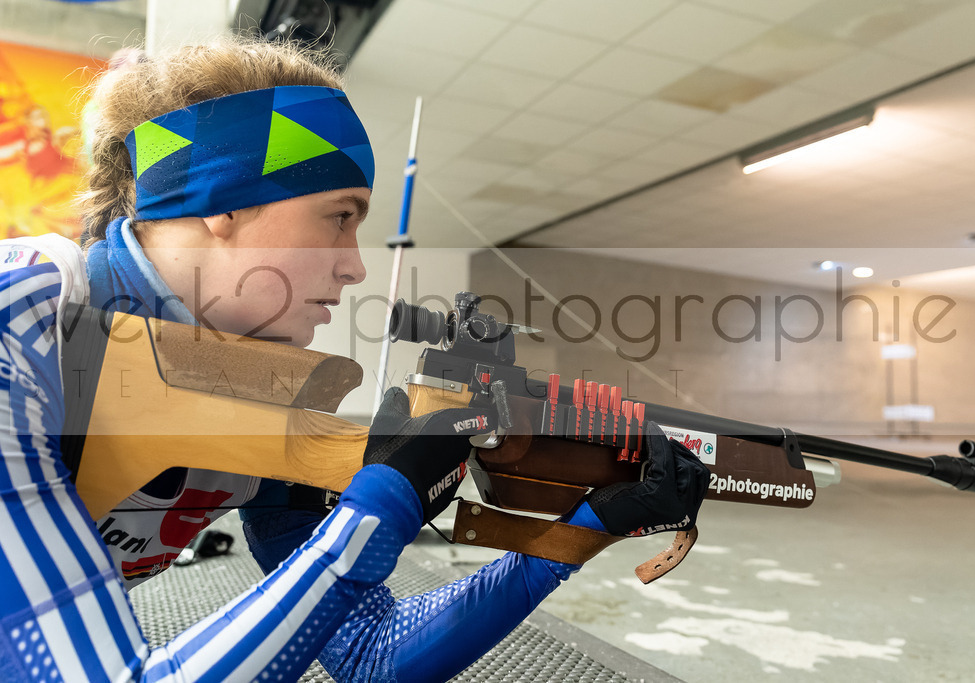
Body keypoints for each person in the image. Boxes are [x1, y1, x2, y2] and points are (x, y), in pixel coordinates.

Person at [0, 37, 710, 682]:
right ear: (223, 201)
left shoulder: (257, 394)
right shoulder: (22, 317)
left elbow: (373, 655)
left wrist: (577, 530)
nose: (355, 267)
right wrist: (384, 503)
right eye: (340, 216)